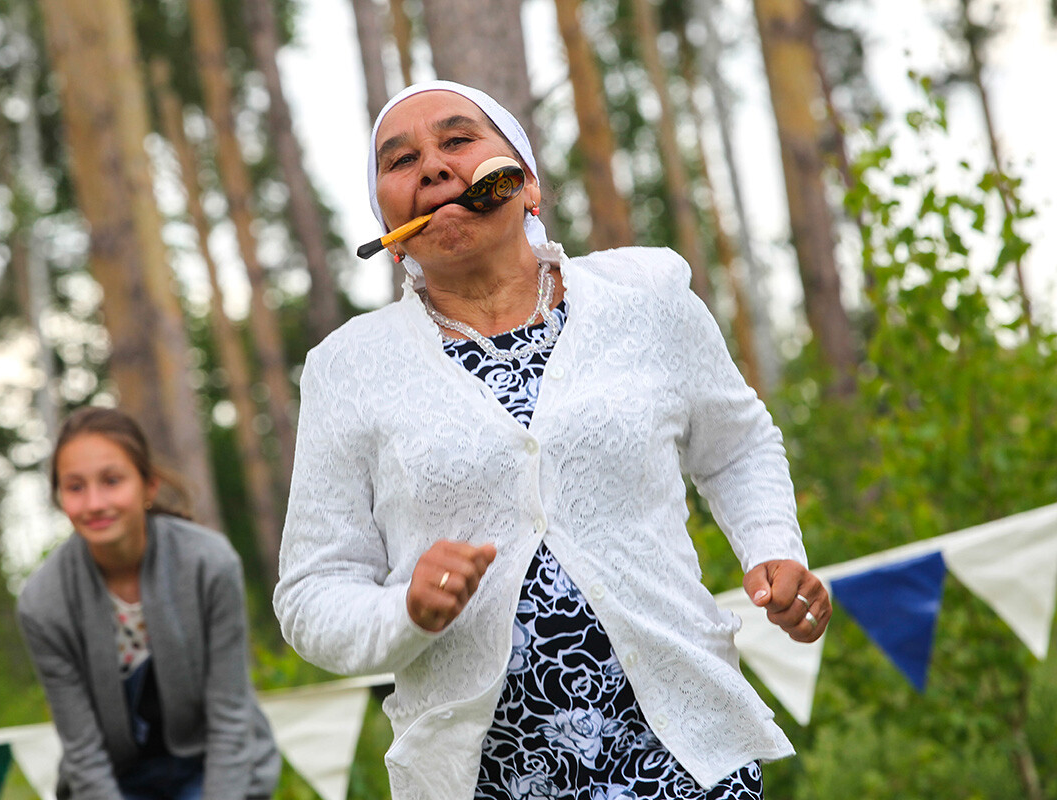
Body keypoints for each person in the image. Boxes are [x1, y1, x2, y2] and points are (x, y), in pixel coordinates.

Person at [274, 80, 832, 800]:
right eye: (401, 159)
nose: (435, 168)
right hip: (487, 781)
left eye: (457, 141)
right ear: (386, 222)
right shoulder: (347, 370)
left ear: (527, 184)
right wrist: (402, 610)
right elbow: (311, 593)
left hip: (684, 761)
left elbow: (737, 446)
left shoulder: (646, 298)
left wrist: (774, 550)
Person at [17, 407, 281, 800]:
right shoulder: (42, 603)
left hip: (216, 769)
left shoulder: (210, 564)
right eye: (75, 487)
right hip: (113, 782)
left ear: (148, 486)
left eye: (111, 481)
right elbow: (83, 751)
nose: (94, 503)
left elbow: (230, 717)